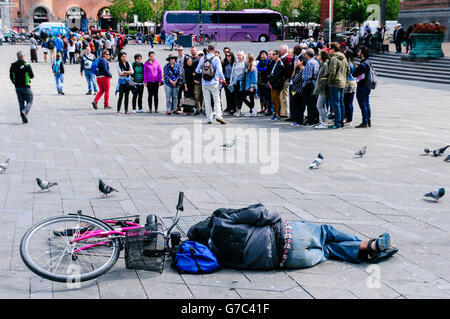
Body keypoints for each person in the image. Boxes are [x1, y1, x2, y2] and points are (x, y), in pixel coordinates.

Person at [189, 204, 398, 271]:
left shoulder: (217, 259)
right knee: (325, 232)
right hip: (288, 236)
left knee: (328, 250)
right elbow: (263, 213)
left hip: (291, 261)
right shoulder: (221, 220)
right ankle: (370, 243)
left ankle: (367, 251)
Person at [195, 43, 226, 124]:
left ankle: (209, 118)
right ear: (214, 50)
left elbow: (197, 70)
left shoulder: (202, 58)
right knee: (216, 100)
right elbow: (220, 72)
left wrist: (204, 71)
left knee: (207, 100)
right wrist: (223, 79)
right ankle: (218, 116)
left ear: (208, 50)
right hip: (214, 82)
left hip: (204, 83)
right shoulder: (216, 59)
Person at [325, 42, 350, 129]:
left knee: (336, 104)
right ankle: (341, 122)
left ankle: (337, 123)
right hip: (342, 83)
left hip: (335, 83)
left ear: (333, 49)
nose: (329, 51)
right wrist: (344, 79)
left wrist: (329, 82)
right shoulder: (344, 57)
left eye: (329, 48)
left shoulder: (334, 59)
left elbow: (332, 72)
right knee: (341, 103)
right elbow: (348, 69)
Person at [10, 51, 34, 124]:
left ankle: (23, 118)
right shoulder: (26, 65)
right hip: (26, 86)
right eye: (24, 55)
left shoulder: (13, 65)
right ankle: (25, 111)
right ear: (22, 56)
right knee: (30, 100)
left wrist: (15, 83)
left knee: (21, 103)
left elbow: (11, 77)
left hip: (17, 87)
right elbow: (32, 76)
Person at [353, 46, 372, 128]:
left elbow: (354, 74)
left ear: (362, 54)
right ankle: (368, 120)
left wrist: (355, 67)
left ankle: (365, 122)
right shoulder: (368, 62)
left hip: (362, 86)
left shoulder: (362, 65)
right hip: (367, 86)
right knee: (367, 104)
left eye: (359, 52)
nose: (358, 53)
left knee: (363, 105)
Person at [301, 49, 320, 126]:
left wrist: (304, 83)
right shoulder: (316, 62)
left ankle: (310, 119)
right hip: (314, 83)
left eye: (305, 54)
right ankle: (315, 118)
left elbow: (307, 76)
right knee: (314, 102)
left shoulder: (309, 62)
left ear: (307, 55)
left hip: (309, 84)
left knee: (309, 103)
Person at [313, 50, 330, 129]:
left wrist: (321, 85)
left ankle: (325, 121)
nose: (317, 55)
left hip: (323, 89)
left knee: (319, 105)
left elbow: (325, 77)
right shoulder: (322, 64)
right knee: (321, 105)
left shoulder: (325, 65)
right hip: (321, 88)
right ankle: (324, 121)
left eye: (319, 54)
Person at [267, 50, 285, 121]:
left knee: (277, 99)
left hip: (277, 84)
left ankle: (278, 114)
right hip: (273, 83)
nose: (272, 55)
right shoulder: (275, 62)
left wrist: (270, 81)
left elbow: (277, 76)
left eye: (274, 54)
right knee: (273, 99)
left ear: (278, 55)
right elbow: (272, 73)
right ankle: (275, 112)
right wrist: (269, 81)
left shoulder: (280, 64)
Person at [229, 51, 247, 118]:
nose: (239, 56)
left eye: (240, 55)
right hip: (235, 81)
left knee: (241, 96)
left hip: (241, 82)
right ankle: (237, 109)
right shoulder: (235, 64)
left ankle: (239, 110)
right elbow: (232, 72)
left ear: (243, 56)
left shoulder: (245, 63)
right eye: (238, 55)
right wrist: (231, 81)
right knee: (235, 96)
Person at [116, 51, 134, 116]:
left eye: (125, 56)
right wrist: (128, 72)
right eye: (123, 56)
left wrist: (125, 72)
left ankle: (126, 110)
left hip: (128, 81)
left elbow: (132, 72)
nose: (125, 57)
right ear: (120, 57)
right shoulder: (118, 64)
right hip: (122, 82)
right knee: (120, 96)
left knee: (127, 96)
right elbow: (120, 73)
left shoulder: (128, 63)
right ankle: (118, 110)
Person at [289, 56, 305, 126]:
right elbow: (292, 78)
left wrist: (294, 70)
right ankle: (296, 120)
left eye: (298, 61)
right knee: (295, 105)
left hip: (299, 90)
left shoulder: (302, 70)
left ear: (301, 62)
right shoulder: (298, 70)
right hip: (295, 89)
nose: (296, 62)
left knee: (299, 106)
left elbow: (294, 79)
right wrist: (295, 70)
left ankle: (299, 121)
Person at [256, 50, 270, 115]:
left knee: (266, 96)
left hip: (266, 81)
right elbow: (257, 68)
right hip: (260, 81)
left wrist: (260, 69)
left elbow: (265, 69)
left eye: (264, 54)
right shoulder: (260, 62)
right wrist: (261, 69)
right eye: (262, 54)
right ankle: (262, 108)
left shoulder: (268, 61)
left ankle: (266, 108)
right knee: (261, 96)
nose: (263, 56)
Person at [279, 45, 292, 118]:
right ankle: (283, 111)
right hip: (283, 79)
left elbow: (288, 70)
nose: (280, 51)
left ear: (284, 50)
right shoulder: (284, 58)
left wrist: (284, 78)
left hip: (286, 79)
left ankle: (286, 112)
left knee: (285, 96)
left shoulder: (288, 58)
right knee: (282, 96)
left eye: (281, 50)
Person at [222, 51, 236, 115]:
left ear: (232, 56)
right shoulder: (225, 63)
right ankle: (229, 108)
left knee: (232, 95)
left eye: (229, 56)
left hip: (232, 80)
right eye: (226, 56)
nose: (227, 57)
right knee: (227, 95)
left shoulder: (234, 63)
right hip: (226, 80)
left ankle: (233, 109)